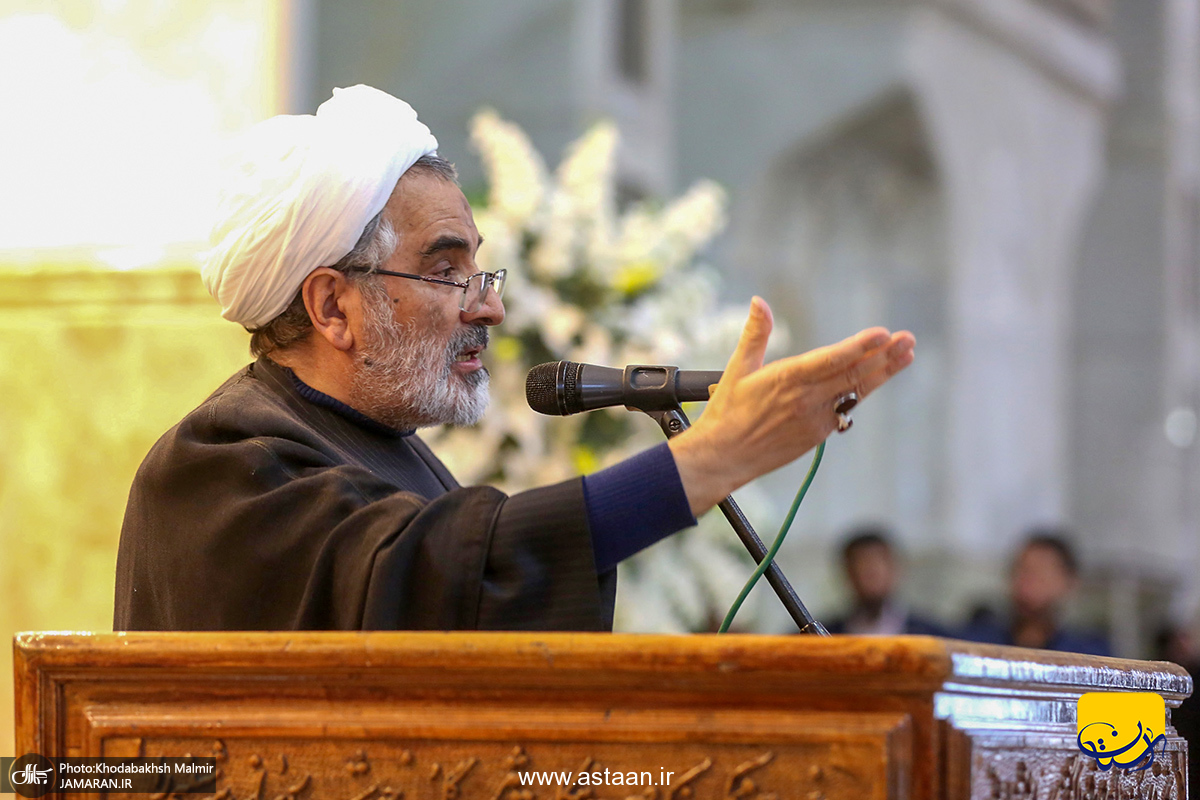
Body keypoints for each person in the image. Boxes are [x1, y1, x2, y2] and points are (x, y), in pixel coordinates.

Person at [113, 85, 915, 632]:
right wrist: (706, 463)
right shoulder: (219, 461)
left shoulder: (390, 449)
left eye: (480, 270)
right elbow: (427, 581)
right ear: (332, 307)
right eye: (444, 271)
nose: (490, 306)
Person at [959, 530, 1110, 655]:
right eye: (1022, 570)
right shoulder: (978, 643)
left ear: (1069, 582)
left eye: (1041, 573)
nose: (1027, 582)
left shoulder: (1088, 653)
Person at [824, 527, 947, 636]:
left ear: (896, 569)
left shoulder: (933, 635)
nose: (870, 575)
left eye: (876, 569)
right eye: (861, 566)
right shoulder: (824, 636)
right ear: (847, 573)